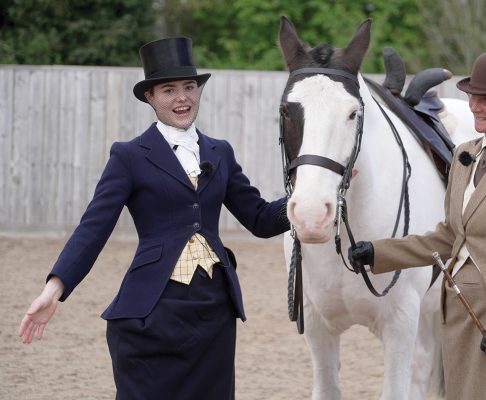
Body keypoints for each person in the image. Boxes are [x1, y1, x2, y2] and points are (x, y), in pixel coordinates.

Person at [19, 37, 289, 400]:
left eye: (189, 87)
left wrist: (313, 196)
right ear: (150, 97)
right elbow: (93, 227)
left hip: (214, 311)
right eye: (169, 89)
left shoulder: (219, 152)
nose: (182, 98)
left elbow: (260, 219)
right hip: (154, 310)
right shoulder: (129, 156)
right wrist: (55, 288)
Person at [349, 50, 486, 400]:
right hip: (460, 315)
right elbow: (450, 236)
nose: (475, 106)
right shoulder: (465, 156)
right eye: (473, 97)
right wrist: (379, 252)